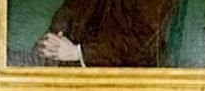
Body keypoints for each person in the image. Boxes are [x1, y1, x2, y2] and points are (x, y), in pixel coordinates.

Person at [33, 0, 180, 67]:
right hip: (78, 73)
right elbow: (70, 10)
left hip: (130, 83)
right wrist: (55, 37)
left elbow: (142, 44)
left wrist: (78, 53)